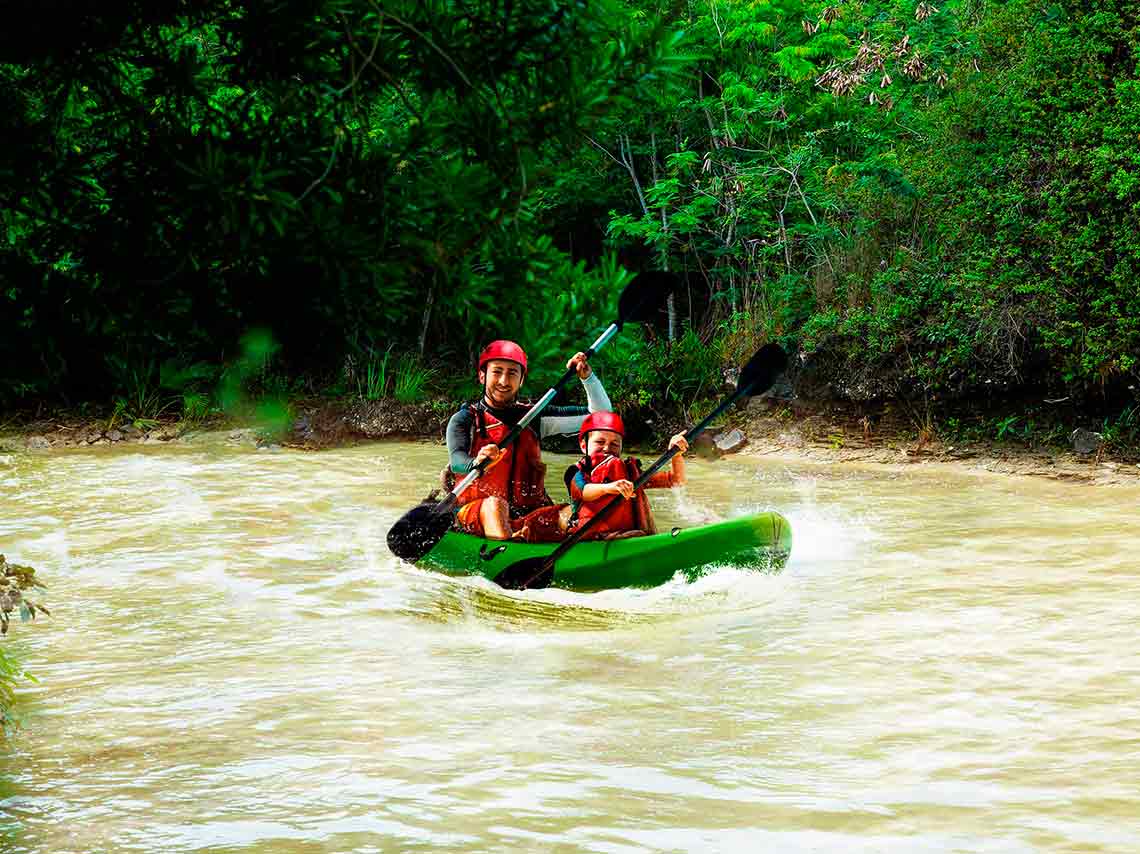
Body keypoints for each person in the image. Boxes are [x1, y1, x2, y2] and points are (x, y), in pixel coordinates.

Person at [445, 340, 611, 541]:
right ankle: (507, 553)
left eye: (512, 373)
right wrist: (476, 462)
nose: (504, 381)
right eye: (497, 372)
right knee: (495, 505)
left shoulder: (534, 418)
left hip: (529, 515)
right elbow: (456, 460)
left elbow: (601, 415)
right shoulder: (465, 419)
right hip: (475, 515)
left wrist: (588, 378)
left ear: (521, 379)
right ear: (482, 376)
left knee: (580, 514)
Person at [563, 411, 688, 540]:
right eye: (600, 442)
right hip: (588, 538)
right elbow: (583, 491)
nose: (607, 448)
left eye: (614, 444)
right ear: (584, 446)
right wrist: (609, 487)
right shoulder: (576, 471)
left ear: (621, 448)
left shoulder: (629, 472)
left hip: (628, 535)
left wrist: (676, 455)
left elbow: (675, 480)